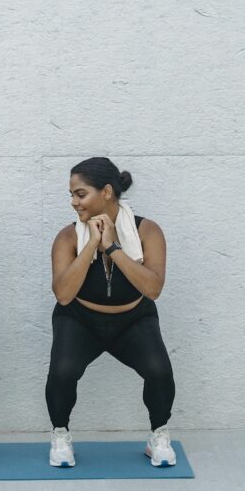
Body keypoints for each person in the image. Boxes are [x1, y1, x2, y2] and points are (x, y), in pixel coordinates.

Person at [45, 157, 176, 467]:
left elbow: (153, 289)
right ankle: (60, 434)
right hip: (79, 318)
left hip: (133, 317)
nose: (74, 202)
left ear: (106, 192)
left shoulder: (148, 231)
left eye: (80, 194)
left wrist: (114, 247)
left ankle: (158, 434)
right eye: (72, 195)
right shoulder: (67, 237)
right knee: (63, 372)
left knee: (159, 372)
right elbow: (63, 295)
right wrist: (91, 244)